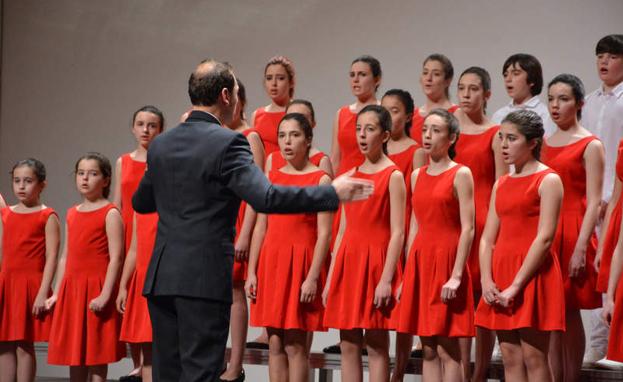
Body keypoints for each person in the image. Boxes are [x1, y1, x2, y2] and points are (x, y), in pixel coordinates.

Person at [132, 59, 372, 382]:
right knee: (201, 373)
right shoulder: (228, 142)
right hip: (202, 278)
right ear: (226, 95)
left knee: (167, 376)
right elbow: (267, 198)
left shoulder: (161, 144)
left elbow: (141, 201)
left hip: (162, 278)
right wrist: (331, 193)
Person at [475, 110, 565, 382]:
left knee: (534, 356)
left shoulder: (548, 180)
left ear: (533, 142)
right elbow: (487, 238)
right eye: (501, 137)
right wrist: (487, 279)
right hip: (501, 271)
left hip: (532, 275)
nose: (504, 144)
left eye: (512, 138)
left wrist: (516, 285)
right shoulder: (501, 183)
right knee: (510, 357)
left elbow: (545, 238)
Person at [246, 113, 332, 382]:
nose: (287, 141)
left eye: (294, 135)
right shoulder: (271, 177)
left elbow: (324, 234)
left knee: (296, 345)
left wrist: (312, 277)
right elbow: (261, 227)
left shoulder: (321, 180)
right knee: (274, 342)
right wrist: (252, 271)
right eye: (282, 135)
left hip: (301, 264)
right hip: (272, 262)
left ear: (308, 140)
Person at [323, 105, 405, 382]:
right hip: (349, 259)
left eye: (369, 129)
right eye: (359, 129)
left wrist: (386, 279)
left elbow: (398, 232)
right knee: (348, 342)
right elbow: (344, 228)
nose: (362, 135)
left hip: (375, 262)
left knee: (377, 344)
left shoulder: (393, 175)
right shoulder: (350, 175)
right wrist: (332, 276)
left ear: (384, 135)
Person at [396, 109, 475, 382]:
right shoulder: (417, 175)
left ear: (452, 137)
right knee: (428, 347)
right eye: (425, 129)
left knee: (447, 347)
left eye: (436, 130)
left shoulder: (461, 174)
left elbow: (469, 227)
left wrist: (456, 275)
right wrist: (407, 274)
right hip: (422, 259)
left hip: (447, 259)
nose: (427, 135)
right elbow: (416, 225)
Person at [541, 74, 604, 381]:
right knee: (549, 313)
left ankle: (571, 377)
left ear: (579, 104)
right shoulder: (541, 143)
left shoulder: (590, 144)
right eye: (551, 98)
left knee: (569, 311)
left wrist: (581, 247)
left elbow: (594, 201)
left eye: (563, 99)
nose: (555, 105)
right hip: (546, 230)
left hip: (574, 229)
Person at [46, 153, 125, 382]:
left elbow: (116, 257)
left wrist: (106, 294)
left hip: (97, 287)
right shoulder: (72, 212)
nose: (85, 179)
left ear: (106, 180)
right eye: (81, 173)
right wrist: (57, 293)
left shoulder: (110, 213)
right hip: (73, 289)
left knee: (96, 353)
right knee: (75, 353)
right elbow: (66, 256)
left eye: (93, 174)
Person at [453, 66, 508, 382]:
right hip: (453, 219)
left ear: (487, 94)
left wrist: (497, 229)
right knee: (458, 300)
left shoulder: (495, 132)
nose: (466, 94)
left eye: (473, 89)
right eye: (462, 88)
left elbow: (501, 183)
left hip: (484, 219)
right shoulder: (449, 128)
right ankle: (459, 370)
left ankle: (481, 371)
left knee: (481, 299)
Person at [112, 105, 164, 382]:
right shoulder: (124, 161)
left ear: (161, 130)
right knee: (131, 297)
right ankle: (137, 363)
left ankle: (147, 365)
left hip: (156, 229)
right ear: (133, 128)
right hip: (133, 231)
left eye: (152, 125)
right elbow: (118, 205)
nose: (146, 130)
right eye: (141, 124)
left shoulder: (163, 160)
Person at [379, 89, 426, 382]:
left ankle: (399, 371)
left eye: (394, 110)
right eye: (383, 110)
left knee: (404, 306)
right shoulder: (376, 152)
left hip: (405, 229)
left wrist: (411, 241)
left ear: (408, 116)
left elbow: (418, 201)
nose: (388, 116)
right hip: (378, 233)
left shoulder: (416, 151)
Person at [0, 159, 59, 382]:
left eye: (28, 181)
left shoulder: (47, 215)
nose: (21, 186)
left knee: (25, 343)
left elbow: (52, 256)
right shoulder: (7, 214)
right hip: (7, 283)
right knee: (4, 342)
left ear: (42, 185)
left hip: (30, 285)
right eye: (17, 181)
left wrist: (43, 292)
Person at [223, 79, 265, 381]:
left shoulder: (250, 136)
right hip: (218, 220)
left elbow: (257, 190)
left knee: (236, 291)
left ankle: (236, 365)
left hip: (240, 221)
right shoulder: (219, 135)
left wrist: (246, 233)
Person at [585, 34, 623, 367]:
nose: (604, 62)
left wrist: (610, 198)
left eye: (612, 56)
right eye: (600, 56)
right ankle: (598, 344)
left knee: (614, 270)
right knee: (596, 273)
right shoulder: (589, 101)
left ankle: (616, 344)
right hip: (592, 200)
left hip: (617, 199)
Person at [330, 55, 382, 176]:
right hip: (344, 182)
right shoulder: (341, 113)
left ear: (377, 79)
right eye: (352, 75)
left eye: (362, 74)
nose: (356, 79)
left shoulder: (384, 111)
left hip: (374, 179)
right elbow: (335, 158)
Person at [492, 54, 556, 137]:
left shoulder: (546, 115)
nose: (508, 79)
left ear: (532, 79)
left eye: (515, 74)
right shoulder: (499, 115)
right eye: (505, 75)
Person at [266, 100, 333, 177]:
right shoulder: (273, 159)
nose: (295, 122)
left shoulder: (321, 160)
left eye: (302, 118)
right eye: (290, 117)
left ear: (313, 123)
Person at [409, 54, 459, 145]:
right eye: (425, 73)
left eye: (436, 74)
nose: (428, 78)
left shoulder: (458, 114)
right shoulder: (412, 116)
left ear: (448, 80)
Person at [251, 56, 295, 155]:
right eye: (269, 78)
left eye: (280, 78)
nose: (274, 83)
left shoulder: (298, 111)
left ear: (291, 82)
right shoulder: (257, 115)